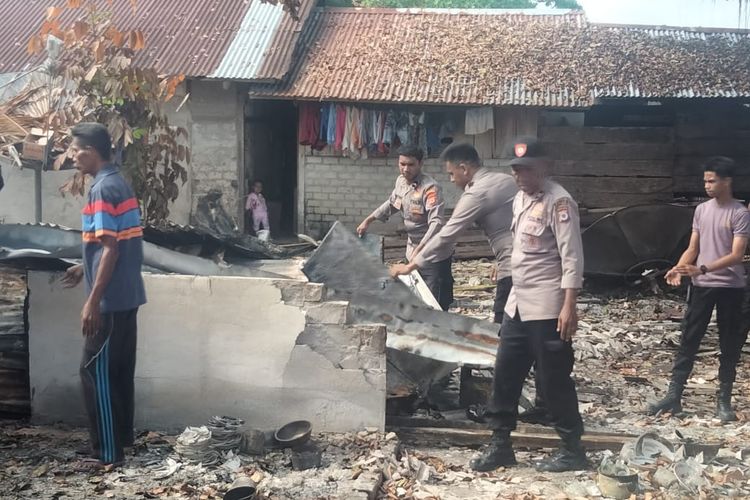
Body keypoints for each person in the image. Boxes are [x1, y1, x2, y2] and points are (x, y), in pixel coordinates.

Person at [469, 137, 587, 473]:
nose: (520, 175)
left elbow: (572, 258)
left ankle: (572, 449)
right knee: (505, 373)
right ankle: (501, 444)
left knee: (553, 381)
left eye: (527, 169)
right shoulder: (521, 197)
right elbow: (520, 244)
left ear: (545, 168)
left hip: (548, 307)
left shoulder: (560, 202)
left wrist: (569, 307)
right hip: (518, 305)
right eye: (516, 169)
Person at [61, 122, 147, 467]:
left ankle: (108, 453)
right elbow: (118, 242)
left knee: (93, 373)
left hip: (109, 302)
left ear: (91, 151)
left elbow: (110, 249)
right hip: (127, 295)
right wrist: (85, 265)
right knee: (118, 372)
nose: (73, 157)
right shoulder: (118, 184)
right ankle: (120, 439)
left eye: (76, 150)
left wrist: (92, 301)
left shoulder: (101, 190)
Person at [648, 157, 750, 422]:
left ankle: (723, 400)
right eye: (705, 180)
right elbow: (693, 248)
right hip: (702, 287)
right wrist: (679, 268)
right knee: (688, 340)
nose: (707, 185)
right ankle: (674, 396)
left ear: (727, 181)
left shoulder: (739, 213)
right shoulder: (702, 210)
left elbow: (737, 255)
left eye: (712, 180)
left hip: (730, 287)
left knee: (730, 344)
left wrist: (703, 269)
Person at [357, 145, 453, 310]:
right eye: (402, 164)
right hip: (412, 248)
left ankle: (436, 331)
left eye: (410, 164)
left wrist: (422, 248)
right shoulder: (401, 182)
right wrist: (369, 220)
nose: (405, 169)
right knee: (414, 294)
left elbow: (436, 223)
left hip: (433, 252)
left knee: (433, 301)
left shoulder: (430, 188)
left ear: (420, 163)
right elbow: (392, 204)